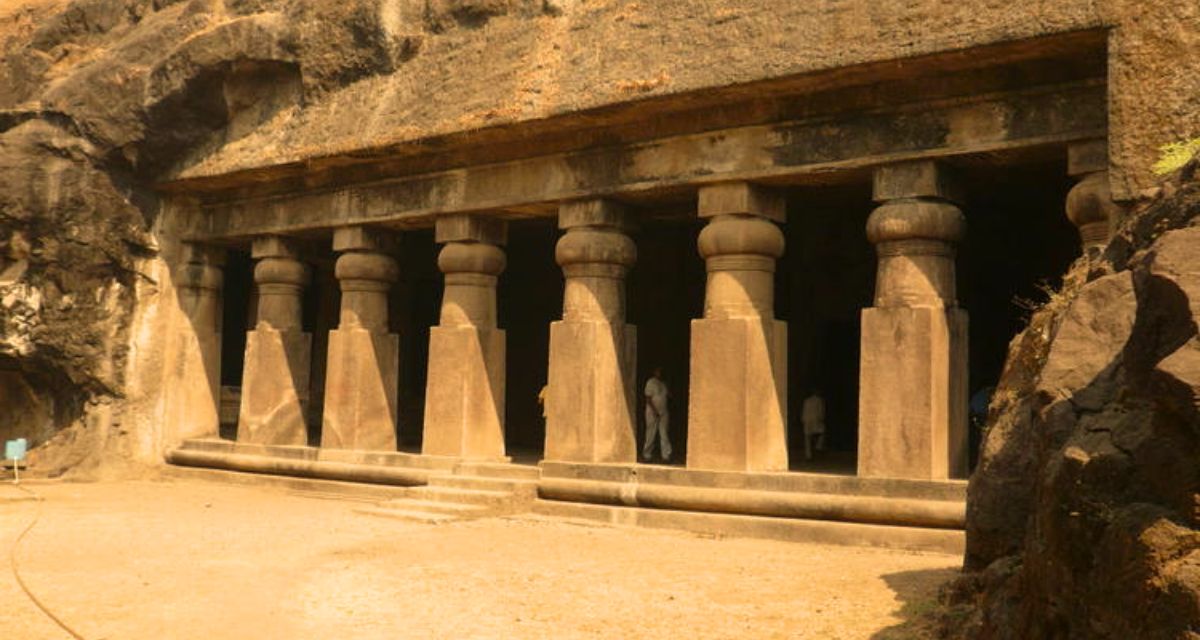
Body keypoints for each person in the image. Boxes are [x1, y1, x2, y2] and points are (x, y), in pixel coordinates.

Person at [642, 367, 672, 463]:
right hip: (652, 411)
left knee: (664, 433)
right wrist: (654, 411)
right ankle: (647, 455)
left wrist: (668, 387)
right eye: (658, 371)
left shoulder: (663, 384)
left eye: (660, 371)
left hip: (663, 412)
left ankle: (666, 455)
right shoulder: (650, 382)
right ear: (654, 372)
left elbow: (669, 396)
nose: (659, 373)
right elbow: (648, 398)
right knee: (651, 433)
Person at [801, 389, 826, 461]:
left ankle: (808, 455)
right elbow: (821, 411)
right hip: (816, 419)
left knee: (807, 438)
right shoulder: (819, 400)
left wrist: (803, 419)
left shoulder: (806, 400)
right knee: (822, 433)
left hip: (807, 419)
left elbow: (804, 410)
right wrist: (821, 418)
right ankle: (818, 446)